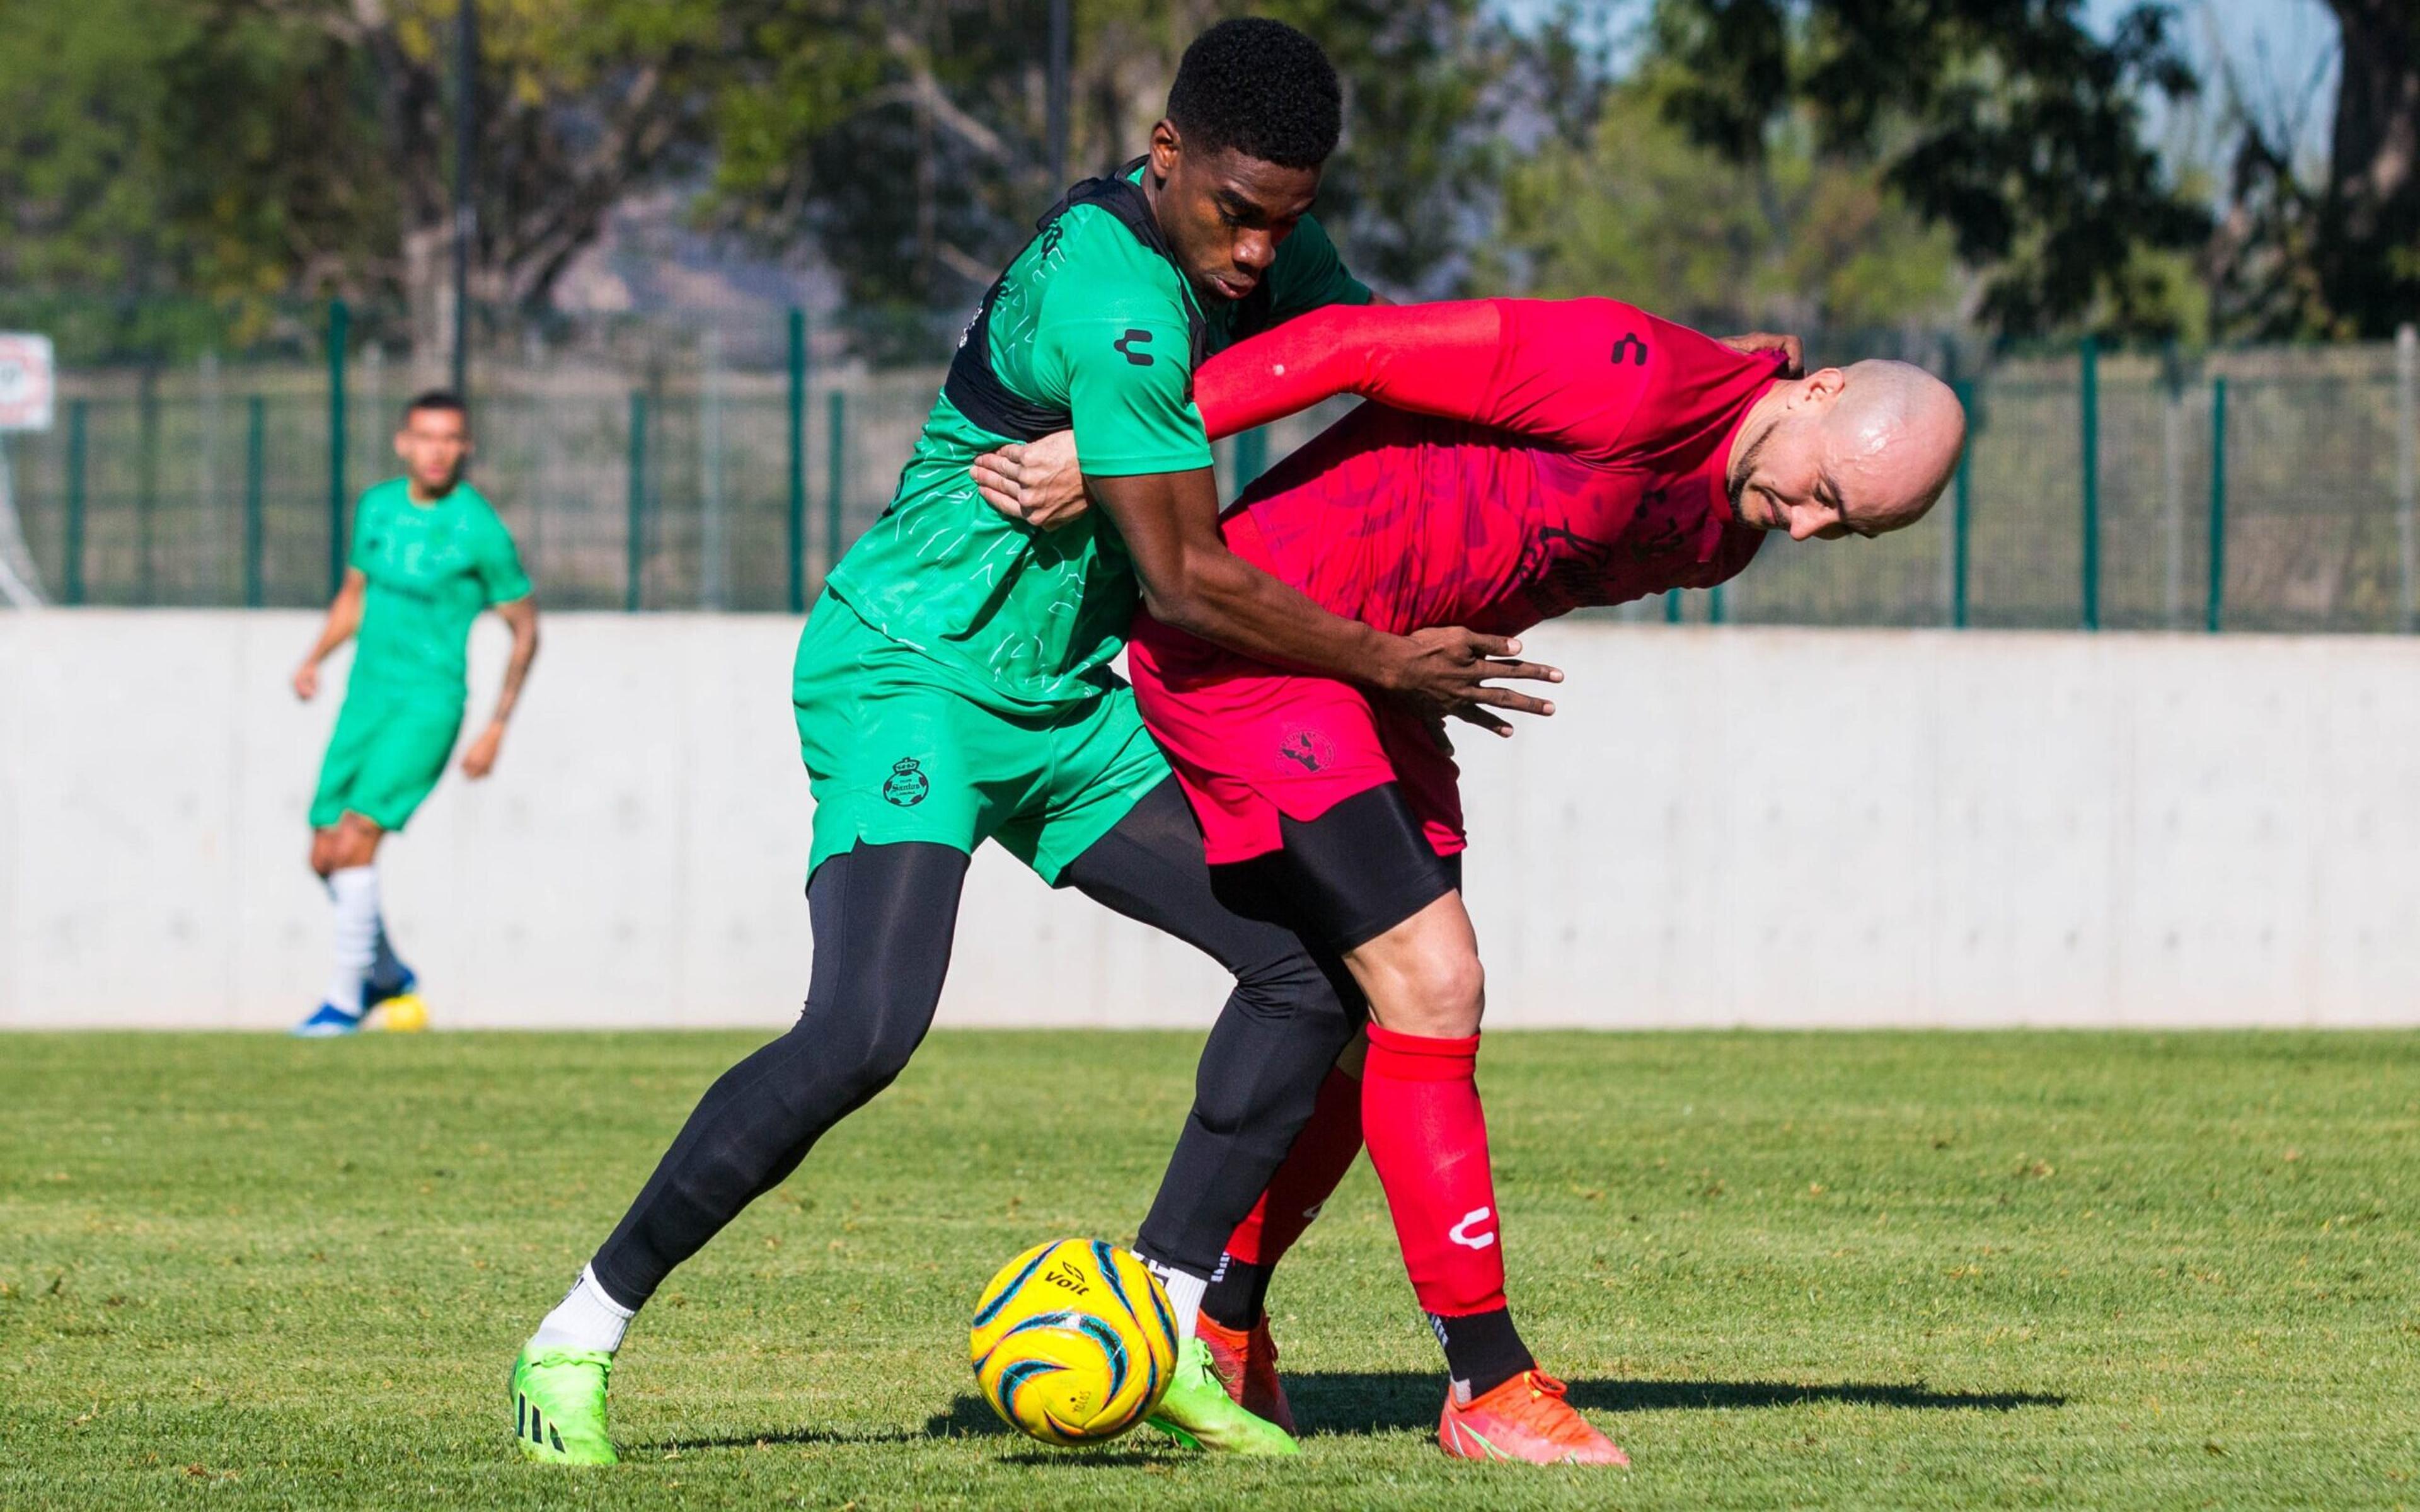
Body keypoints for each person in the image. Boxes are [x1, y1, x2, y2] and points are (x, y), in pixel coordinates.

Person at [504, 20, 1557, 1467]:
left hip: (1068, 700)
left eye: (1285, 221)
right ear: (1164, 154)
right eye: (1234, 214)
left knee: (1309, 972)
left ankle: (1167, 1320)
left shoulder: (1257, 259)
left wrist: (1675, 414)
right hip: (912, 676)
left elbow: (1395, 358)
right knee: (863, 1031)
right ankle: (576, 1332)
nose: (1256, 254)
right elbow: (1186, 579)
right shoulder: (1109, 289)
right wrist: (1382, 658)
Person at [977, 297, 1963, 1463]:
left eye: (1843, 531)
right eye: (1823, 494)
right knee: (1435, 981)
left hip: (1386, 684)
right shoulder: (1630, 372)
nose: (1802, 529)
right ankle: (1487, 1386)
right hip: (1263, 640)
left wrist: (1413, 669)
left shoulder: (1727, 520)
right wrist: (1111, 460)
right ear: (1822, 390)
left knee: (1369, 1027)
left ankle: (1225, 1321)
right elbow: (1354, 343)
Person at [290, 391, 539, 1037]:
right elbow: (355, 594)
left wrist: (496, 726)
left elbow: (525, 628)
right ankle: (387, 975)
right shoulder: (376, 506)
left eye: (451, 438)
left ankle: (344, 1004)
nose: (437, 450)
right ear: (404, 442)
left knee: (356, 842)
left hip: (428, 706)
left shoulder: (479, 528)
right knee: (323, 852)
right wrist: (316, 654)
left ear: (467, 448)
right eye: (426, 437)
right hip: (365, 699)